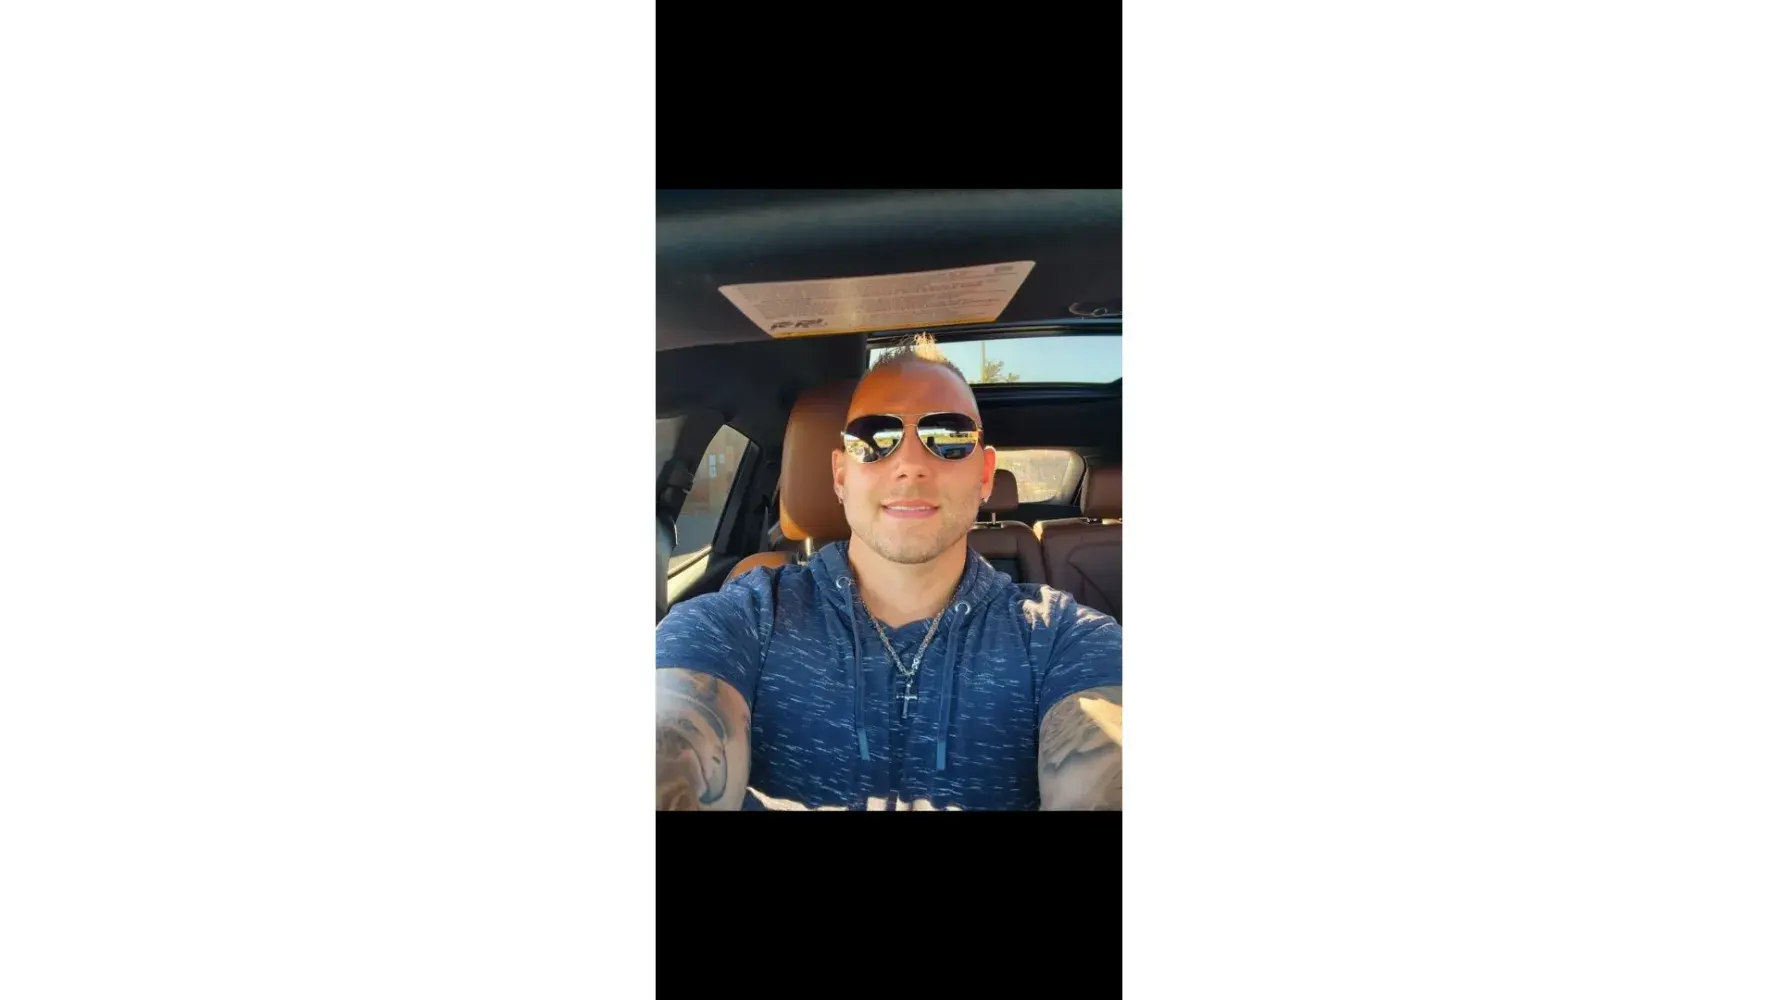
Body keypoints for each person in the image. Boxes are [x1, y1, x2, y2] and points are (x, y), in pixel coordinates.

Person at [654, 335, 1121, 810]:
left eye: (948, 436)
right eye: (875, 438)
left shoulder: (1063, 639)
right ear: (840, 475)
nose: (910, 465)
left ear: (984, 474)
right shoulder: (744, 619)